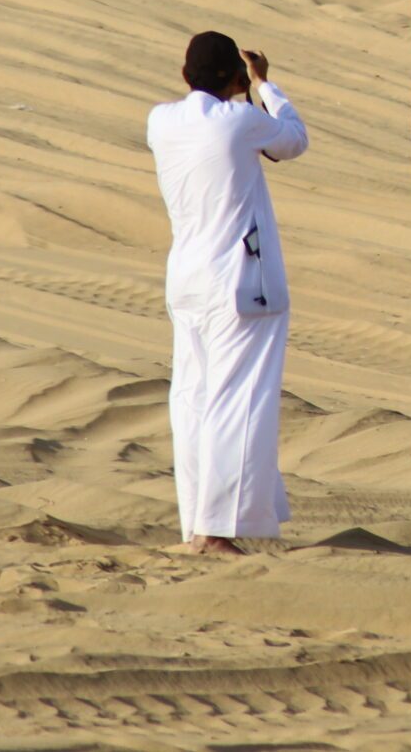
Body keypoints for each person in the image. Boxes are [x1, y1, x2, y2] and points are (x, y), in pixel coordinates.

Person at [147, 31, 309, 555]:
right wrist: (264, 83)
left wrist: (237, 87)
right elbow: (292, 140)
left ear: (184, 74)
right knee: (235, 402)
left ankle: (198, 523)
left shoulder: (160, 122)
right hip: (238, 285)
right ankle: (215, 531)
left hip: (187, 282)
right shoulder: (240, 120)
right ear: (231, 78)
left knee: (192, 401)